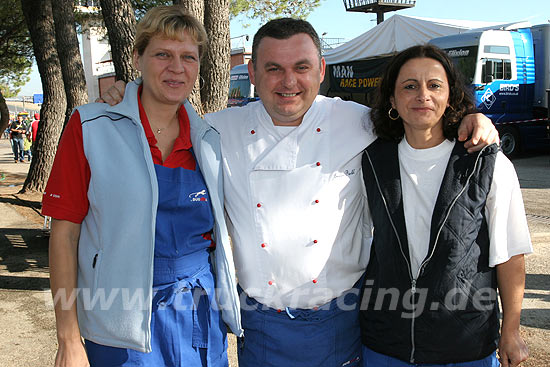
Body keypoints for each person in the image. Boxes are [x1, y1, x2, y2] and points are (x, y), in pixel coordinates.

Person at [100, 18, 499, 367]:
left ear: (321, 70)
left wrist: (472, 117)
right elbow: (160, 118)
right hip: (260, 324)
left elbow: (421, 116)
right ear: (252, 72)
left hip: (341, 318)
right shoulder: (216, 130)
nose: (288, 82)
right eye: (273, 68)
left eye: (301, 67)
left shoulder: (359, 121)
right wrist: (126, 96)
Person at [42, 6, 241, 367]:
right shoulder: (90, 128)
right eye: (162, 54)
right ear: (137, 57)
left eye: (188, 57)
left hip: (198, 315)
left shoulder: (211, 138)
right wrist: (68, 339)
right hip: (119, 320)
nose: (176, 68)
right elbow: (64, 236)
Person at [360, 44, 532, 367]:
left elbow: (509, 253)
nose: (422, 95)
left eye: (434, 85)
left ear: (450, 96)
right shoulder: (371, 160)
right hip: (386, 346)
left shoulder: (487, 162)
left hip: (464, 348)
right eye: (409, 86)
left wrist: (511, 330)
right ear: (393, 101)